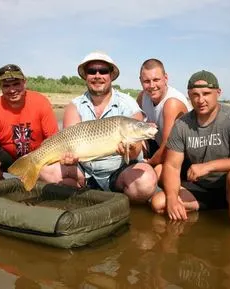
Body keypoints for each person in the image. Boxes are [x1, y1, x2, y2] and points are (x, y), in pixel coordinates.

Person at [39, 51, 158, 203]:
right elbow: (69, 144)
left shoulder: (127, 103)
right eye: (91, 71)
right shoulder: (75, 106)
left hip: (118, 172)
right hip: (84, 172)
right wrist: (69, 158)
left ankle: (117, 199)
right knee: (44, 170)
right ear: (85, 76)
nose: (97, 75)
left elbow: (135, 152)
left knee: (146, 181)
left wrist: (132, 149)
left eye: (103, 71)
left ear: (110, 76)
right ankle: (82, 191)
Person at [151, 70, 230, 227]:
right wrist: (172, 200)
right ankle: (221, 206)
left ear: (218, 93)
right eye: (195, 95)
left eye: (206, 93)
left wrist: (209, 166)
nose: (201, 100)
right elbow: (172, 166)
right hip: (202, 188)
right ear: (189, 96)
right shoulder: (182, 125)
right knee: (159, 203)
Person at [137, 58, 193, 179]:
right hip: (159, 148)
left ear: (165, 78)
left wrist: (149, 163)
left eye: (156, 80)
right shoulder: (142, 97)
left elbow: (168, 147)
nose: (152, 86)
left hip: (183, 158)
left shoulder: (171, 103)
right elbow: (136, 127)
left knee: (156, 172)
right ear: (140, 81)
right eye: (147, 81)